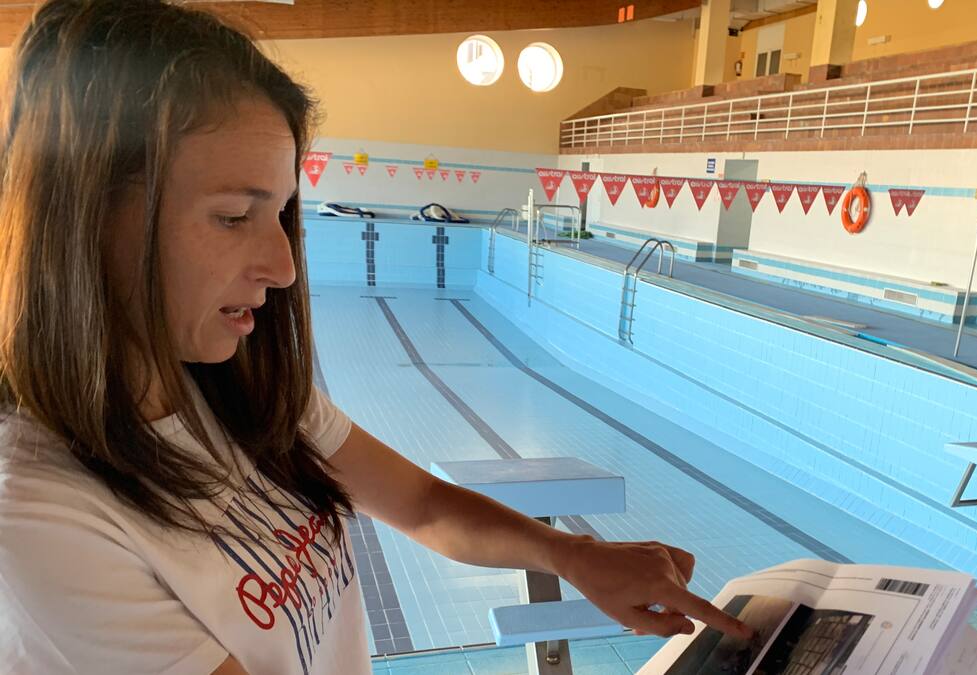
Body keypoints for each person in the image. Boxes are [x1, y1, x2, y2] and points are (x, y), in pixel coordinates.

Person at [0, 1, 750, 674]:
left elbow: (422, 503)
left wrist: (576, 555)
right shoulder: (42, 516)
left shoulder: (233, 391)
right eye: (234, 215)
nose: (285, 267)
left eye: (283, 215)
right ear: (88, 219)